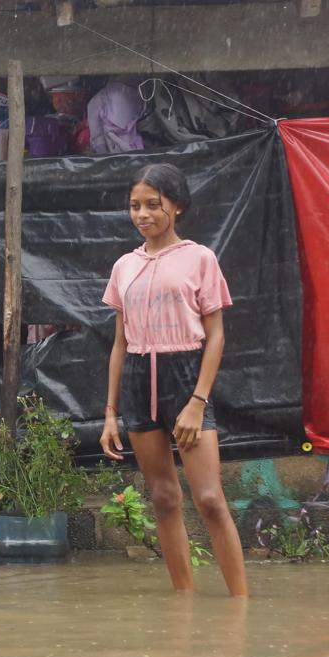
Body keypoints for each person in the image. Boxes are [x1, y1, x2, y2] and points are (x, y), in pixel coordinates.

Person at [99, 163, 247, 597]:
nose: (142, 214)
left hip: (187, 378)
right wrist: (110, 414)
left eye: (152, 204)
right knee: (163, 498)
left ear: (177, 206)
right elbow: (120, 345)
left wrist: (198, 401)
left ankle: (241, 606)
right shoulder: (124, 266)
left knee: (209, 500)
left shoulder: (200, 258)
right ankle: (183, 603)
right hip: (138, 381)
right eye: (134, 206)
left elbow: (216, 335)